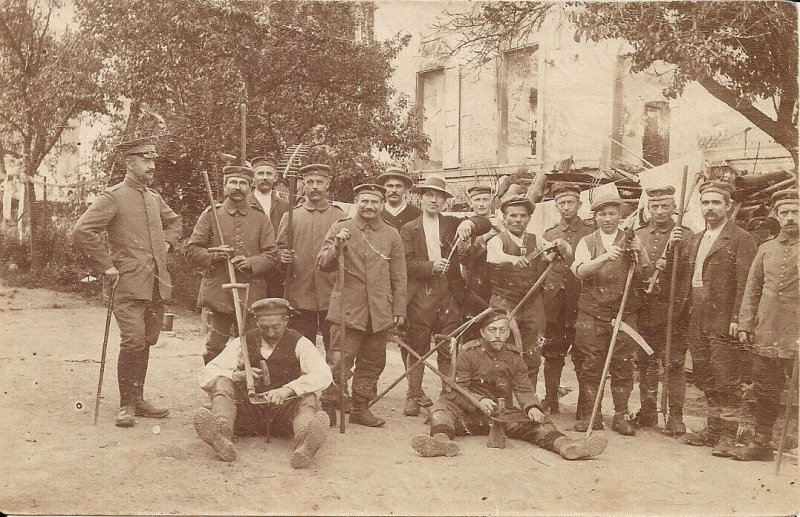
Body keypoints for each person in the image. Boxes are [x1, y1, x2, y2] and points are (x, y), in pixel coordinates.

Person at [72, 136, 183, 427]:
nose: (151, 166)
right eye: (146, 160)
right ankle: (125, 406)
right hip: (128, 283)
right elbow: (82, 231)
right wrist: (106, 266)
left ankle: (139, 399)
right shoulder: (113, 197)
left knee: (146, 340)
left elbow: (175, 222)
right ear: (129, 163)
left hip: (156, 283)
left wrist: (167, 245)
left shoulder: (153, 197)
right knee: (133, 341)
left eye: (153, 160)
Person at [410, 308, 607, 460]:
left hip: (499, 413)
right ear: (483, 332)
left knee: (539, 420)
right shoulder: (468, 353)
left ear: (507, 333)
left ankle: (567, 446)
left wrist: (531, 407)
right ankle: (441, 443)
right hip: (465, 412)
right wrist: (480, 400)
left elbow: (524, 389)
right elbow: (456, 390)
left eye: (502, 330)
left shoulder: (514, 357)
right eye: (492, 330)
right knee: (440, 411)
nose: (498, 335)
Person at [194, 298, 332, 468]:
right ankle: (222, 437)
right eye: (264, 327)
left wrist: (288, 389)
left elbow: (323, 373)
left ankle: (304, 445)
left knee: (308, 395)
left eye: (276, 326)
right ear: (256, 322)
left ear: (286, 320)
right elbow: (206, 374)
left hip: (284, 414)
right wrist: (237, 375)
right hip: (247, 414)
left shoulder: (300, 342)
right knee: (222, 382)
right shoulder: (242, 342)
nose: (271, 333)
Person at [400, 176, 493, 417]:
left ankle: (448, 395)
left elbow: (485, 222)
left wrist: (470, 224)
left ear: (444, 201)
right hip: (422, 295)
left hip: (450, 295)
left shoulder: (452, 223)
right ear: (421, 198)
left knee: (447, 346)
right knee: (417, 348)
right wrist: (430, 267)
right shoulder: (409, 228)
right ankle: (413, 395)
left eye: (438, 196)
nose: (433, 200)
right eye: (429, 195)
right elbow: (406, 263)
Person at [316, 184, 407, 427]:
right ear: (356, 201)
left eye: (375, 202)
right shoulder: (340, 227)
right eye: (364, 201)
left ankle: (360, 407)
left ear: (382, 204)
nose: (369, 206)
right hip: (348, 308)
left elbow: (399, 274)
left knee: (373, 361)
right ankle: (329, 405)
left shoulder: (391, 234)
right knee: (339, 359)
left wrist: (399, 308)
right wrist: (337, 246)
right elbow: (322, 264)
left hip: (379, 310)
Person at [683, 180, 757, 457]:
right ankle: (713, 428)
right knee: (704, 374)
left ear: (728, 206)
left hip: (724, 319)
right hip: (697, 317)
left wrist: (739, 317)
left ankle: (728, 434)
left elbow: (746, 283)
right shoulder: (697, 238)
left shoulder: (741, 239)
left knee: (726, 376)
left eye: (716, 202)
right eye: (705, 203)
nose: (710, 208)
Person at [570, 195, 652, 436]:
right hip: (592, 312)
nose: (607, 219)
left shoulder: (631, 239)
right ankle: (592, 415)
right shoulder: (586, 241)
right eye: (602, 214)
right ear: (595, 217)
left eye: (612, 214)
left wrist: (641, 252)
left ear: (620, 216)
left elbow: (646, 272)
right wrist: (605, 257)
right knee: (591, 363)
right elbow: (581, 271)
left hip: (624, 312)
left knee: (623, 364)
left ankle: (620, 415)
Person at [185, 165, 279, 364]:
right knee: (216, 345)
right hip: (219, 291)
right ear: (225, 186)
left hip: (250, 291)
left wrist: (251, 262)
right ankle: (216, 384)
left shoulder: (260, 218)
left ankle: (244, 387)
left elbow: (272, 255)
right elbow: (192, 249)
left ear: (249, 186)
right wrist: (214, 255)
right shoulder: (212, 214)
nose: (238, 187)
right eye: (233, 183)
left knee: (250, 344)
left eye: (243, 183)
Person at [733, 189, 799, 461]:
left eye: (796, 211)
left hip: (797, 331)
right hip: (767, 331)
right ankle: (762, 443)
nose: (790, 217)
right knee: (766, 388)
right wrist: (746, 323)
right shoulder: (766, 248)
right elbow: (753, 289)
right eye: (784, 212)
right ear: (776, 215)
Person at [486, 195, 572, 392]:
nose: (518, 220)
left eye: (523, 216)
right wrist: (511, 259)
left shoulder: (535, 240)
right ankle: (504, 401)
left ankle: (528, 401)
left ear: (529, 218)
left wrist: (561, 247)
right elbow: (494, 257)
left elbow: (557, 254)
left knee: (532, 355)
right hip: (504, 304)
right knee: (503, 353)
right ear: (504, 218)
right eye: (513, 215)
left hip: (533, 304)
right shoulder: (497, 241)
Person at [633, 186, 693, 435]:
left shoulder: (686, 235)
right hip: (646, 310)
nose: (659, 211)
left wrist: (675, 260)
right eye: (654, 206)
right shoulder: (638, 234)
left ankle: (675, 416)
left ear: (673, 208)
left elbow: (691, 272)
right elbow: (632, 270)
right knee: (646, 362)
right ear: (648, 208)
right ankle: (648, 411)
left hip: (675, 310)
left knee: (674, 364)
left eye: (665, 206)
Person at [276, 164, 345, 351]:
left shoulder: (339, 216)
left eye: (320, 182)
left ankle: (334, 380)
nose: (315, 186)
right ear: (302, 185)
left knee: (335, 346)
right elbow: (279, 249)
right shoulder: (291, 216)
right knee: (301, 345)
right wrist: (282, 257)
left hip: (331, 292)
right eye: (310, 182)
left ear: (327, 185)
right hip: (300, 292)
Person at [541, 184, 594, 415]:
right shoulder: (549, 234)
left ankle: (584, 404)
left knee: (582, 352)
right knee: (552, 351)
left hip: (580, 302)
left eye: (570, 202)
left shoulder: (590, 232)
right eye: (561, 203)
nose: (566, 207)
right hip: (554, 302)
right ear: (556, 206)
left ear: (579, 204)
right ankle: (550, 398)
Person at [248, 155, 290, 298]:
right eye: (260, 173)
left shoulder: (286, 207)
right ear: (253, 179)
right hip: (252, 269)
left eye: (269, 174)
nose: (264, 178)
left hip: (276, 272)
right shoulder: (244, 204)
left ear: (275, 177)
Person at [458, 185, 499, 306]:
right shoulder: (465, 225)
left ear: (491, 201)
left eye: (485, 200)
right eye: (477, 200)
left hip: (497, 281)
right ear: (471, 203)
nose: (481, 204)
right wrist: (486, 236)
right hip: (474, 280)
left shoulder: (500, 223)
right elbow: (463, 256)